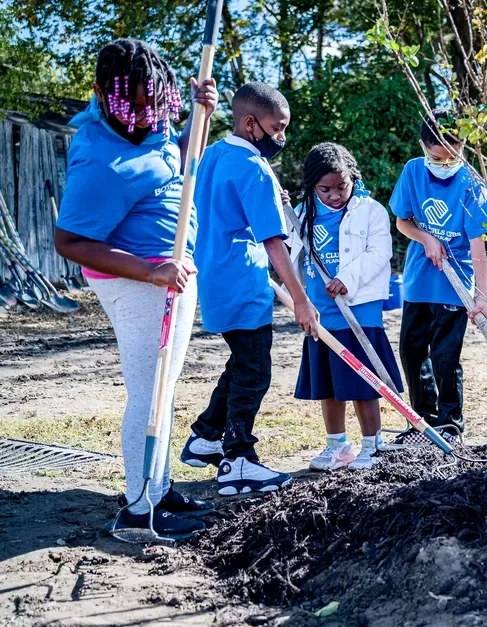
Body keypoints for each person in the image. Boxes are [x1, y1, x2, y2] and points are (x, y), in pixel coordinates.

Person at [54, 38, 218, 541]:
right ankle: (138, 510)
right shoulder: (100, 159)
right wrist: (150, 272)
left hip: (168, 275)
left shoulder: (148, 122)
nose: (148, 116)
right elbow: (69, 241)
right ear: (104, 92)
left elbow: (179, 163)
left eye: (156, 104)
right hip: (141, 283)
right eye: (137, 106)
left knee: (163, 390)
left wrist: (200, 117)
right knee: (149, 395)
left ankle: (158, 487)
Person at [179, 82, 319, 495]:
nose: (282, 137)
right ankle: (238, 460)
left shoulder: (214, 155)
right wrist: (302, 300)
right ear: (251, 123)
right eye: (277, 128)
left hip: (214, 276)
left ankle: (206, 436)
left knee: (243, 362)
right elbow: (273, 243)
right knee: (255, 371)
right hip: (242, 280)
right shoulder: (255, 168)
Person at [291, 143, 402, 470]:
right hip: (320, 311)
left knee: (363, 382)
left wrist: (347, 278)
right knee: (329, 383)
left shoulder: (370, 210)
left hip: (359, 309)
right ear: (312, 186)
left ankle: (373, 445)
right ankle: (337, 446)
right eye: (324, 189)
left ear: (353, 178)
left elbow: (379, 253)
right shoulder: (301, 213)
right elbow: (287, 251)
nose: (335, 195)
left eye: (342, 186)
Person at [388, 110, 487, 445]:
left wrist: (481, 296)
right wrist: (426, 238)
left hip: (454, 285)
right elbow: (402, 221)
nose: (444, 164)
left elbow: (478, 245)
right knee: (412, 353)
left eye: (452, 156)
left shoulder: (472, 183)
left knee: (445, 357)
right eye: (436, 158)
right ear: (423, 146)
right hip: (419, 280)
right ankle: (423, 424)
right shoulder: (413, 171)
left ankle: (450, 425)